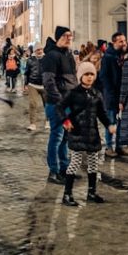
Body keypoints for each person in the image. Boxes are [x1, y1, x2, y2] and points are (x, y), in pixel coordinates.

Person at [56, 61, 113, 206]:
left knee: (93, 164)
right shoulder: (73, 93)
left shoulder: (96, 94)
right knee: (74, 163)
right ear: (80, 76)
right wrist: (66, 121)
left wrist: (109, 125)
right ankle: (67, 195)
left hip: (92, 134)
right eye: (86, 74)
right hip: (77, 132)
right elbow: (60, 107)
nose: (89, 77)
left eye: (92, 74)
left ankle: (91, 192)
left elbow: (102, 113)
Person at [42, 26, 77, 182]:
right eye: (65, 35)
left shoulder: (68, 55)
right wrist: (60, 100)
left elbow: (72, 80)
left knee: (65, 138)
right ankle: (53, 171)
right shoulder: (51, 56)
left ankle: (64, 168)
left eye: (70, 35)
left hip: (69, 102)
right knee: (56, 137)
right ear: (58, 38)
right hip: (57, 104)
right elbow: (48, 82)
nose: (69, 38)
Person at [98, 32, 126, 156]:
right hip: (111, 95)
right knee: (111, 122)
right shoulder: (108, 56)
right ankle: (109, 147)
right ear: (114, 42)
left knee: (120, 121)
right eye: (121, 41)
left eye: (124, 40)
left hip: (121, 94)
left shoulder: (122, 55)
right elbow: (103, 76)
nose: (124, 43)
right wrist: (110, 91)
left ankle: (119, 145)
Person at [24, 45, 45, 131]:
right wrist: (25, 84)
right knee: (32, 104)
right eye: (37, 49)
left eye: (40, 49)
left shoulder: (47, 59)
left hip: (45, 85)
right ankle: (32, 124)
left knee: (47, 105)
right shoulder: (30, 60)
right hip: (33, 84)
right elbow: (27, 73)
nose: (39, 51)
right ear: (34, 51)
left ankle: (48, 121)